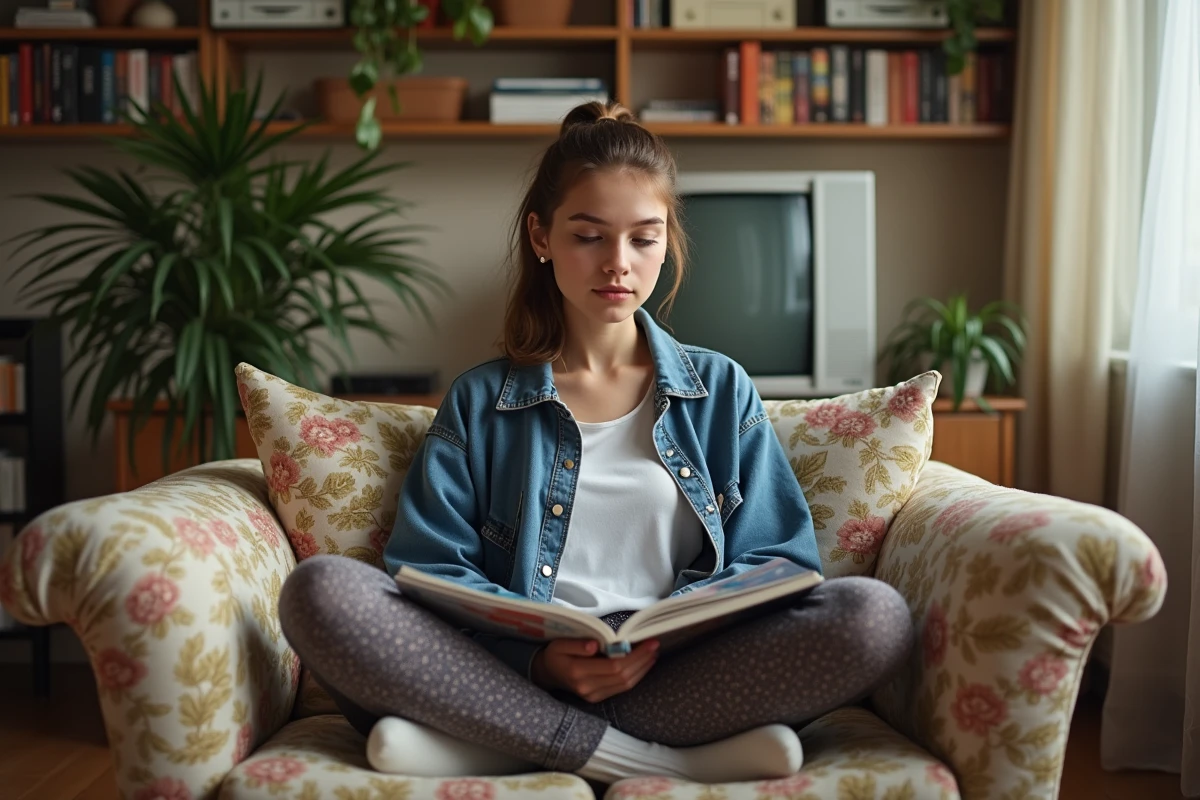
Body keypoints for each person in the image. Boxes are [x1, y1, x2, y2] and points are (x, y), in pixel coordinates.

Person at [277, 101, 914, 787]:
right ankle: (635, 759)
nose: (618, 263)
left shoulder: (720, 389)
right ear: (542, 236)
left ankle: (498, 743)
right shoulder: (481, 401)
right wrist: (542, 661)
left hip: (670, 677)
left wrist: (670, 635)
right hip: (512, 672)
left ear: (667, 241)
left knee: (873, 618)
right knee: (321, 592)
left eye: (644, 238)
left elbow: (778, 561)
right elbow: (429, 570)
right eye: (589, 237)